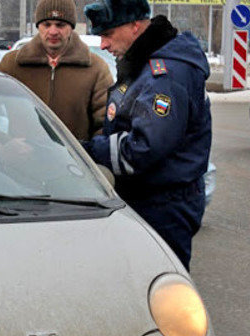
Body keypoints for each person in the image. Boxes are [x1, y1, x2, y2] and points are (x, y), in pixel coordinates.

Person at [82, 0, 212, 270]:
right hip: (148, 199)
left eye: (107, 34)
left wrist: (87, 151)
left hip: (163, 205)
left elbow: (144, 148)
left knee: (159, 289)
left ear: (134, 26)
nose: (103, 44)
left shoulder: (165, 74)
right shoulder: (143, 64)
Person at [0, 0, 113, 141]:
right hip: (21, 160)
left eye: (60, 25)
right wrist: (2, 143)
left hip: (72, 161)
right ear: (38, 26)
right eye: (47, 24)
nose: (53, 31)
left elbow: (105, 125)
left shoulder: (95, 69)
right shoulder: (12, 65)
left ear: (71, 27)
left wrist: (89, 154)